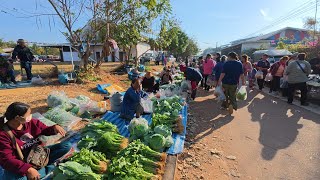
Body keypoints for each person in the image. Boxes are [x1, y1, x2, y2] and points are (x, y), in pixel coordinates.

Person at [0, 102, 72, 180]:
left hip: (38, 154)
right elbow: (7, 159)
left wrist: (54, 128)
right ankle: (46, 169)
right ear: (17, 118)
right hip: (22, 160)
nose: (30, 116)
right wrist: (28, 169)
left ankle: (41, 170)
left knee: (66, 146)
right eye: (28, 115)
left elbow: (44, 129)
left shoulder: (31, 123)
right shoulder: (3, 135)